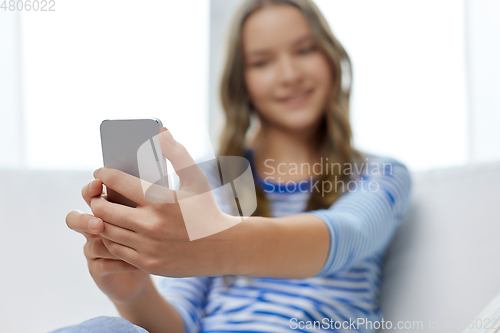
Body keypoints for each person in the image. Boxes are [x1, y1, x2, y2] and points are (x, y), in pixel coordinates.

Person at [59, 0, 412, 332]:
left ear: (332, 60)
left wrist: (213, 243)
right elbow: (182, 323)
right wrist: (134, 294)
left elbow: (349, 235)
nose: (289, 75)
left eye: (305, 50)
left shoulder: (379, 174)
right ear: (242, 84)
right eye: (262, 62)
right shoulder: (213, 180)